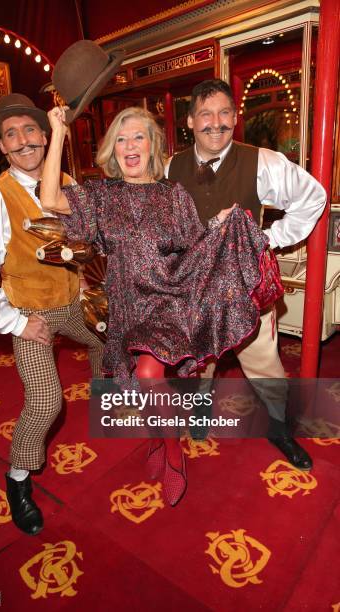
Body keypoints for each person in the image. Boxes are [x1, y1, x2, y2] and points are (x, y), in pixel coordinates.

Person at [40, 104, 283, 507]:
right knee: (140, 387)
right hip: (125, 304)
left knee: (150, 373)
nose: (129, 145)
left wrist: (220, 227)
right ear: (111, 150)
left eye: (138, 136)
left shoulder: (174, 195)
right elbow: (49, 197)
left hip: (167, 299)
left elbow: (195, 250)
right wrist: (58, 132)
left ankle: (173, 453)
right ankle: (159, 441)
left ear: (152, 145)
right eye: (120, 138)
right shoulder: (101, 195)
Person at [0, 93, 104, 536]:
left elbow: (82, 241)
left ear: (45, 135)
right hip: (28, 313)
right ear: (2, 147)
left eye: (29, 130)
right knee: (45, 402)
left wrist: (85, 277)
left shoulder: (68, 184)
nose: (22, 140)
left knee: (109, 338)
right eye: (10, 134)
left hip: (70, 303)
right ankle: (17, 479)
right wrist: (16, 322)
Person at [167, 78, 326, 470]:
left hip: (244, 287)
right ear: (190, 121)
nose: (215, 123)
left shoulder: (264, 161)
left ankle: (278, 427)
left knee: (264, 362)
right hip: (195, 288)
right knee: (198, 358)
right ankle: (201, 408)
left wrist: (266, 237)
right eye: (205, 114)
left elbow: (314, 198)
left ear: (235, 118)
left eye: (224, 113)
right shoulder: (173, 165)